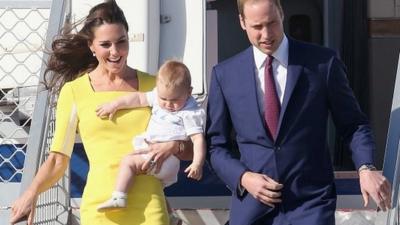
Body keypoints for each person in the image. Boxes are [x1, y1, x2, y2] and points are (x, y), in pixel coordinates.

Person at [206, 0, 392, 224]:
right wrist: (243, 178)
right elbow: (216, 147)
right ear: (242, 22)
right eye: (257, 27)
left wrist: (365, 167)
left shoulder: (323, 63)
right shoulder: (225, 75)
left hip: (311, 205)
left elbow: (353, 125)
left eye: (272, 23)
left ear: (282, 14)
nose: (266, 34)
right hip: (253, 211)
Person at [9, 1, 192, 225]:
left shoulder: (155, 86)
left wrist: (174, 146)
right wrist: (31, 194)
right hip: (100, 208)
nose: (115, 52)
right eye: (106, 44)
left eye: (121, 42)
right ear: (91, 46)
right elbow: (58, 159)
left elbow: (192, 146)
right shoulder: (74, 91)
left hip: (150, 207)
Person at [95, 60, 206, 211]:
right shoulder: (159, 97)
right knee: (156, 186)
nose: (168, 104)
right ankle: (171, 216)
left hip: (166, 158)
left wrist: (197, 164)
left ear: (189, 91)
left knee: (128, 162)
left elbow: (198, 139)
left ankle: (119, 197)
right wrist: (115, 104)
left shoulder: (190, 112)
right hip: (164, 161)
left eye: (174, 100)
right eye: (163, 99)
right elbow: (138, 98)